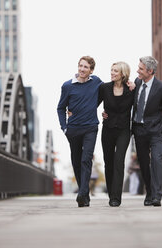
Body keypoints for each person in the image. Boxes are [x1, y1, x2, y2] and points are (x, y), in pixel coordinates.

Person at [57, 56, 102, 207]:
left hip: (90, 128)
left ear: (91, 70)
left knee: (86, 159)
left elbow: (107, 92)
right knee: (76, 161)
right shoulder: (67, 86)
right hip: (73, 130)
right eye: (80, 66)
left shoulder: (96, 82)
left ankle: (81, 194)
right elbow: (61, 108)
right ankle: (85, 194)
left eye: (86, 67)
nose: (82, 69)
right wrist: (64, 127)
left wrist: (128, 84)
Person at [132, 56, 162, 207]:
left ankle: (157, 196)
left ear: (150, 71)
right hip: (139, 130)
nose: (137, 70)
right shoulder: (137, 83)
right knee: (144, 163)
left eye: (141, 69)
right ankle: (149, 193)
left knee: (156, 160)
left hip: (156, 131)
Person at [98, 61, 135, 207]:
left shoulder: (131, 89)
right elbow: (93, 103)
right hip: (107, 129)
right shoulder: (105, 88)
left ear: (123, 74)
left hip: (124, 130)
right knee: (109, 162)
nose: (112, 73)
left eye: (115, 71)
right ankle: (110, 194)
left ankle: (116, 198)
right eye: (111, 70)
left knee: (119, 160)